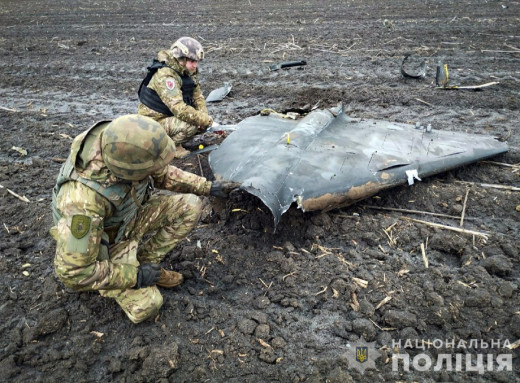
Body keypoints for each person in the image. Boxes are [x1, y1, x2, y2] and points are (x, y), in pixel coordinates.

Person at [50, 114, 239, 323]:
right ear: (128, 172)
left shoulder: (125, 144)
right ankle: (132, 272)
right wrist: (136, 277)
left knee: (191, 206)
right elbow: (73, 272)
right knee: (147, 307)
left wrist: (208, 187)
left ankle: (147, 263)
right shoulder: (81, 203)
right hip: (106, 242)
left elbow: (163, 174)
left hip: (127, 216)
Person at [137, 36, 212, 158]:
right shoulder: (166, 76)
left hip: (167, 118)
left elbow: (198, 97)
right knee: (191, 125)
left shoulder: (186, 72)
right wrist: (204, 120)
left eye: (196, 62)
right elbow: (179, 109)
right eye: (192, 61)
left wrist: (205, 119)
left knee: (200, 122)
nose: (195, 65)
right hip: (151, 123)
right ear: (181, 59)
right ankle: (170, 148)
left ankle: (173, 139)